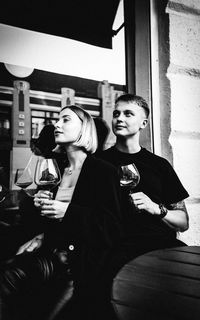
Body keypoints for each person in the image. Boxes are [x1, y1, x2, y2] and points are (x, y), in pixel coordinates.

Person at [0, 105, 122, 320]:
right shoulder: (56, 168)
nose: (57, 124)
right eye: (58, 119)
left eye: (66, 119)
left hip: (79, 266)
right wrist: (38, 205)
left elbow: (111, 228)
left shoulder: (103, 171)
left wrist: (68, 211)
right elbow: (47, 221)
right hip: (52, 256)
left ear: (84, 129)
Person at [98, 93, 189, 277]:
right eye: (116, 114)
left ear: (144, 123)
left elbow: (183, 222)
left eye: (128, 114)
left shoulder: (159, 165)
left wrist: (155, 208)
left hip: (161, 249)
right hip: (117, 252)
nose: (119, 118)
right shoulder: (99, 163)